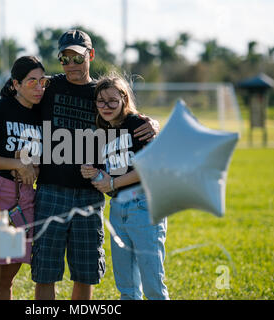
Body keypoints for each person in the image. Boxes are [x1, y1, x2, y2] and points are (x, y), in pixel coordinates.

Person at [0, 29, 160, 300]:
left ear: (91, 55)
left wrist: (151, 122)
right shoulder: (49, 87)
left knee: (85, 273)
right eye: (65, 58)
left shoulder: (99, 93)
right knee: (45, 271)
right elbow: (18, 92)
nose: (71, 64)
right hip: (49, 191)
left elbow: (125, 112)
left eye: (78, 57)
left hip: (89, 194)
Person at [80, 73, 169, 300]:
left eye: (112, 100)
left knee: (153, 286)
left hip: (144, 207)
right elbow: (105, 175)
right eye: (101, 101)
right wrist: (93, 172)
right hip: (118, 209)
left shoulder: (139, 125)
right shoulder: (101, 133)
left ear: (124, 100)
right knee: (127, 288)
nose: (106, 106)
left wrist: (112, 182)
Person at [0, 56, 49, 300]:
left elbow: (39, 164)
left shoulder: (43, 115)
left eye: (42, 81)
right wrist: (16, 164)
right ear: (16, 84)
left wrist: (31, 169)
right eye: (31, 82)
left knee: (8, 278)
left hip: (25, 196)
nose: (39, 87)